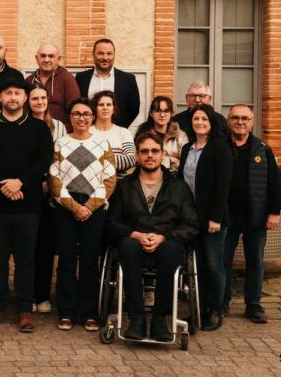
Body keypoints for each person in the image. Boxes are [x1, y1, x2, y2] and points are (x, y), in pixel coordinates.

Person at [0, 79, 54, 333]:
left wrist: (20, 182)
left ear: (25, 97)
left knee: (26, 260)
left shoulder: (39, 128)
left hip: (28, 205)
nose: (12, 97)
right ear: (0, 97)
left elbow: (43, 160)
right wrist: (4, 185)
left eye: (17, 93)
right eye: (8, 93)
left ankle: (25, 310)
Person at [105, 131, 198, 341]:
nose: (150, 155)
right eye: (145, 151)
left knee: (173, 249)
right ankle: (136, 319)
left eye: (155, 151)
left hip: (167, 243)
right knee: (127, 246)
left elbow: (191, 225)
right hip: (133, 242)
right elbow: (111, 223)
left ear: (162, 154)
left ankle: (159, 320)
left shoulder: (178, 187)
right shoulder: (124, 187)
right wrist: (136, 235)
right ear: (137, 156)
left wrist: (163, 236)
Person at [48, 98, 116, 331]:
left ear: (92, 117)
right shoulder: (60, 143)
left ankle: (88, 312)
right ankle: (66, 311)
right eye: (76, 114)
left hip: (94, 208)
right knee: (66, 260)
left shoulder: (102, 143)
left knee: (89, 261)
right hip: (66, 208)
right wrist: (74, 207)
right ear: (70, 117)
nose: (81, 118)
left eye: (86, 114)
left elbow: (109, 179)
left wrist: (88, 206)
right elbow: (54, 179)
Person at [223, 104, 281, 323]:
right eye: (235, 118)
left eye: (245, 118)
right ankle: (222, 302)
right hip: (226, 216)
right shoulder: (220, 147)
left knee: (255, 261)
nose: (240, 122)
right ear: (228, 120)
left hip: (255, 216)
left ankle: (253, 304)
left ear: (252, 122)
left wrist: (274, 212)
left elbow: (274, 183)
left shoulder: (262, 149)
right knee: (223, 261)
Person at [178, 103, 233, 332]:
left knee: (213, 264)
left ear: (211, 123)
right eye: (195, 119)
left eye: (204, 119)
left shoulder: (220, 148)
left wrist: (216, 218)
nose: (199, 122)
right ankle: (198, 310)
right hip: (192, 219)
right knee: (197, 266)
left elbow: (223, 187)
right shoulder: (187, 149)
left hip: (212, 219)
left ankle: (216, 309)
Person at [26, 84, 66, 313]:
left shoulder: (59, 126)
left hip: (51, 191)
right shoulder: (22, 124)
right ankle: (27, 294)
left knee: (46, 245)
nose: (39, 102)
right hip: (28, 189)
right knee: (27, 246)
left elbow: (60, 158)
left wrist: (49, 184)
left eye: (43, 98)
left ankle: (42, 295)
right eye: (35, 98)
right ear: (28, 101)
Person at [75, 38, 140, 128]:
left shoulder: (128, 80)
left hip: (116, 132)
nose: (105, 58)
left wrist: (117, 129)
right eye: (100, 53)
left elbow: (134, 109)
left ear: (114, 55)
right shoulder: (81, 78)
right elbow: (76, 105)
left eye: (109, 53)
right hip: (86, 131)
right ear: (93, 55)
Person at [26, 43, 80, 126]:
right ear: (37, 58)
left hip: (59, 131)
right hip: (32, 129)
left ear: (59, 58)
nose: (46, 60)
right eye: (43, 56)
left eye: (51, 56)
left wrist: (64, 131)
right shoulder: (29, 80)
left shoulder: (67, 79)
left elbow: (75, 109)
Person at [89, 90, 136, 179]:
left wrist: (96, 161)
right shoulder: (87, 132)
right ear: (95, 109)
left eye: (109, 104)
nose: (105, 108)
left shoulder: (123, 132)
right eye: (101, 105)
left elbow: (131, 159)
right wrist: (117, 160)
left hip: (119, 184)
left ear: (113, 109)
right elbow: (83, 162)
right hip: (92, 183)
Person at [136, 96, 189, 175]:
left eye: (166, 111)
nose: (162, 115)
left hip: (175, 178)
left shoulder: (180, 135)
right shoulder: (143, 134)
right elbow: (138, 161)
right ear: (151, 113)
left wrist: (159, 161)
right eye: (158, 111)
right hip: (148, 176)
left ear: (171, 113)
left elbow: (186, 165)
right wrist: (170, 160)